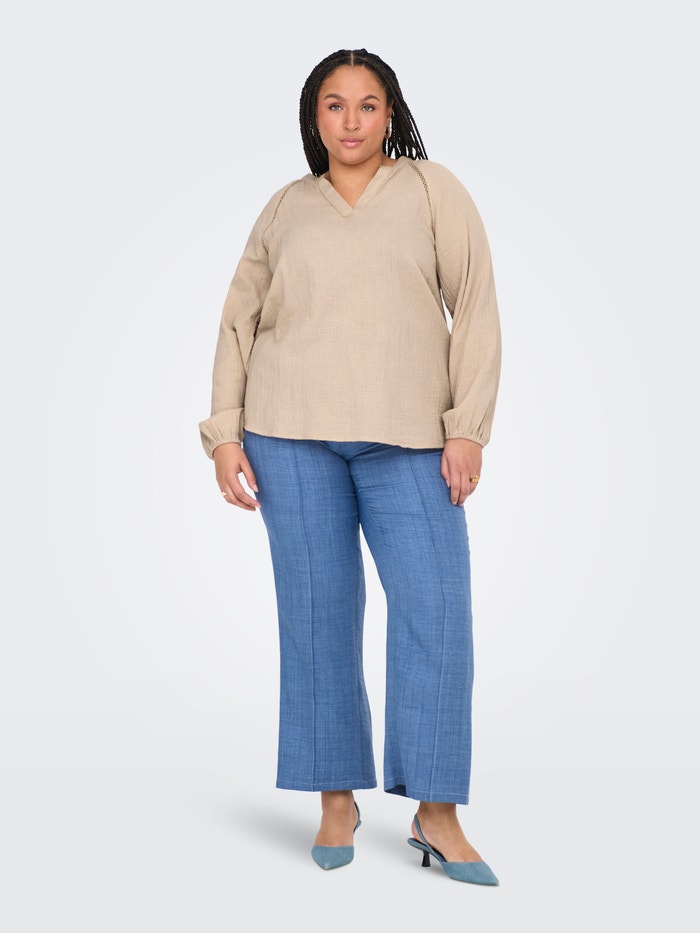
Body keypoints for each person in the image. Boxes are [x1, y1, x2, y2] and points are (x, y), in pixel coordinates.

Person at [199, 48, 502, 885]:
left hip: (411, 438)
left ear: (390, 113)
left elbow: (475, 305)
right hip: (288, 433)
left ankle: (438, 811)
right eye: (334, 105)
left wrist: (467, 428)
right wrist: (225, 434)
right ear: (315, 118)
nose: (352, 120)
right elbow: (238, 320)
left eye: (368, 104)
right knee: (317, 616)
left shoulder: (433, 190)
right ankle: (336, 796)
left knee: (437, 613)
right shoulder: (286, 207)